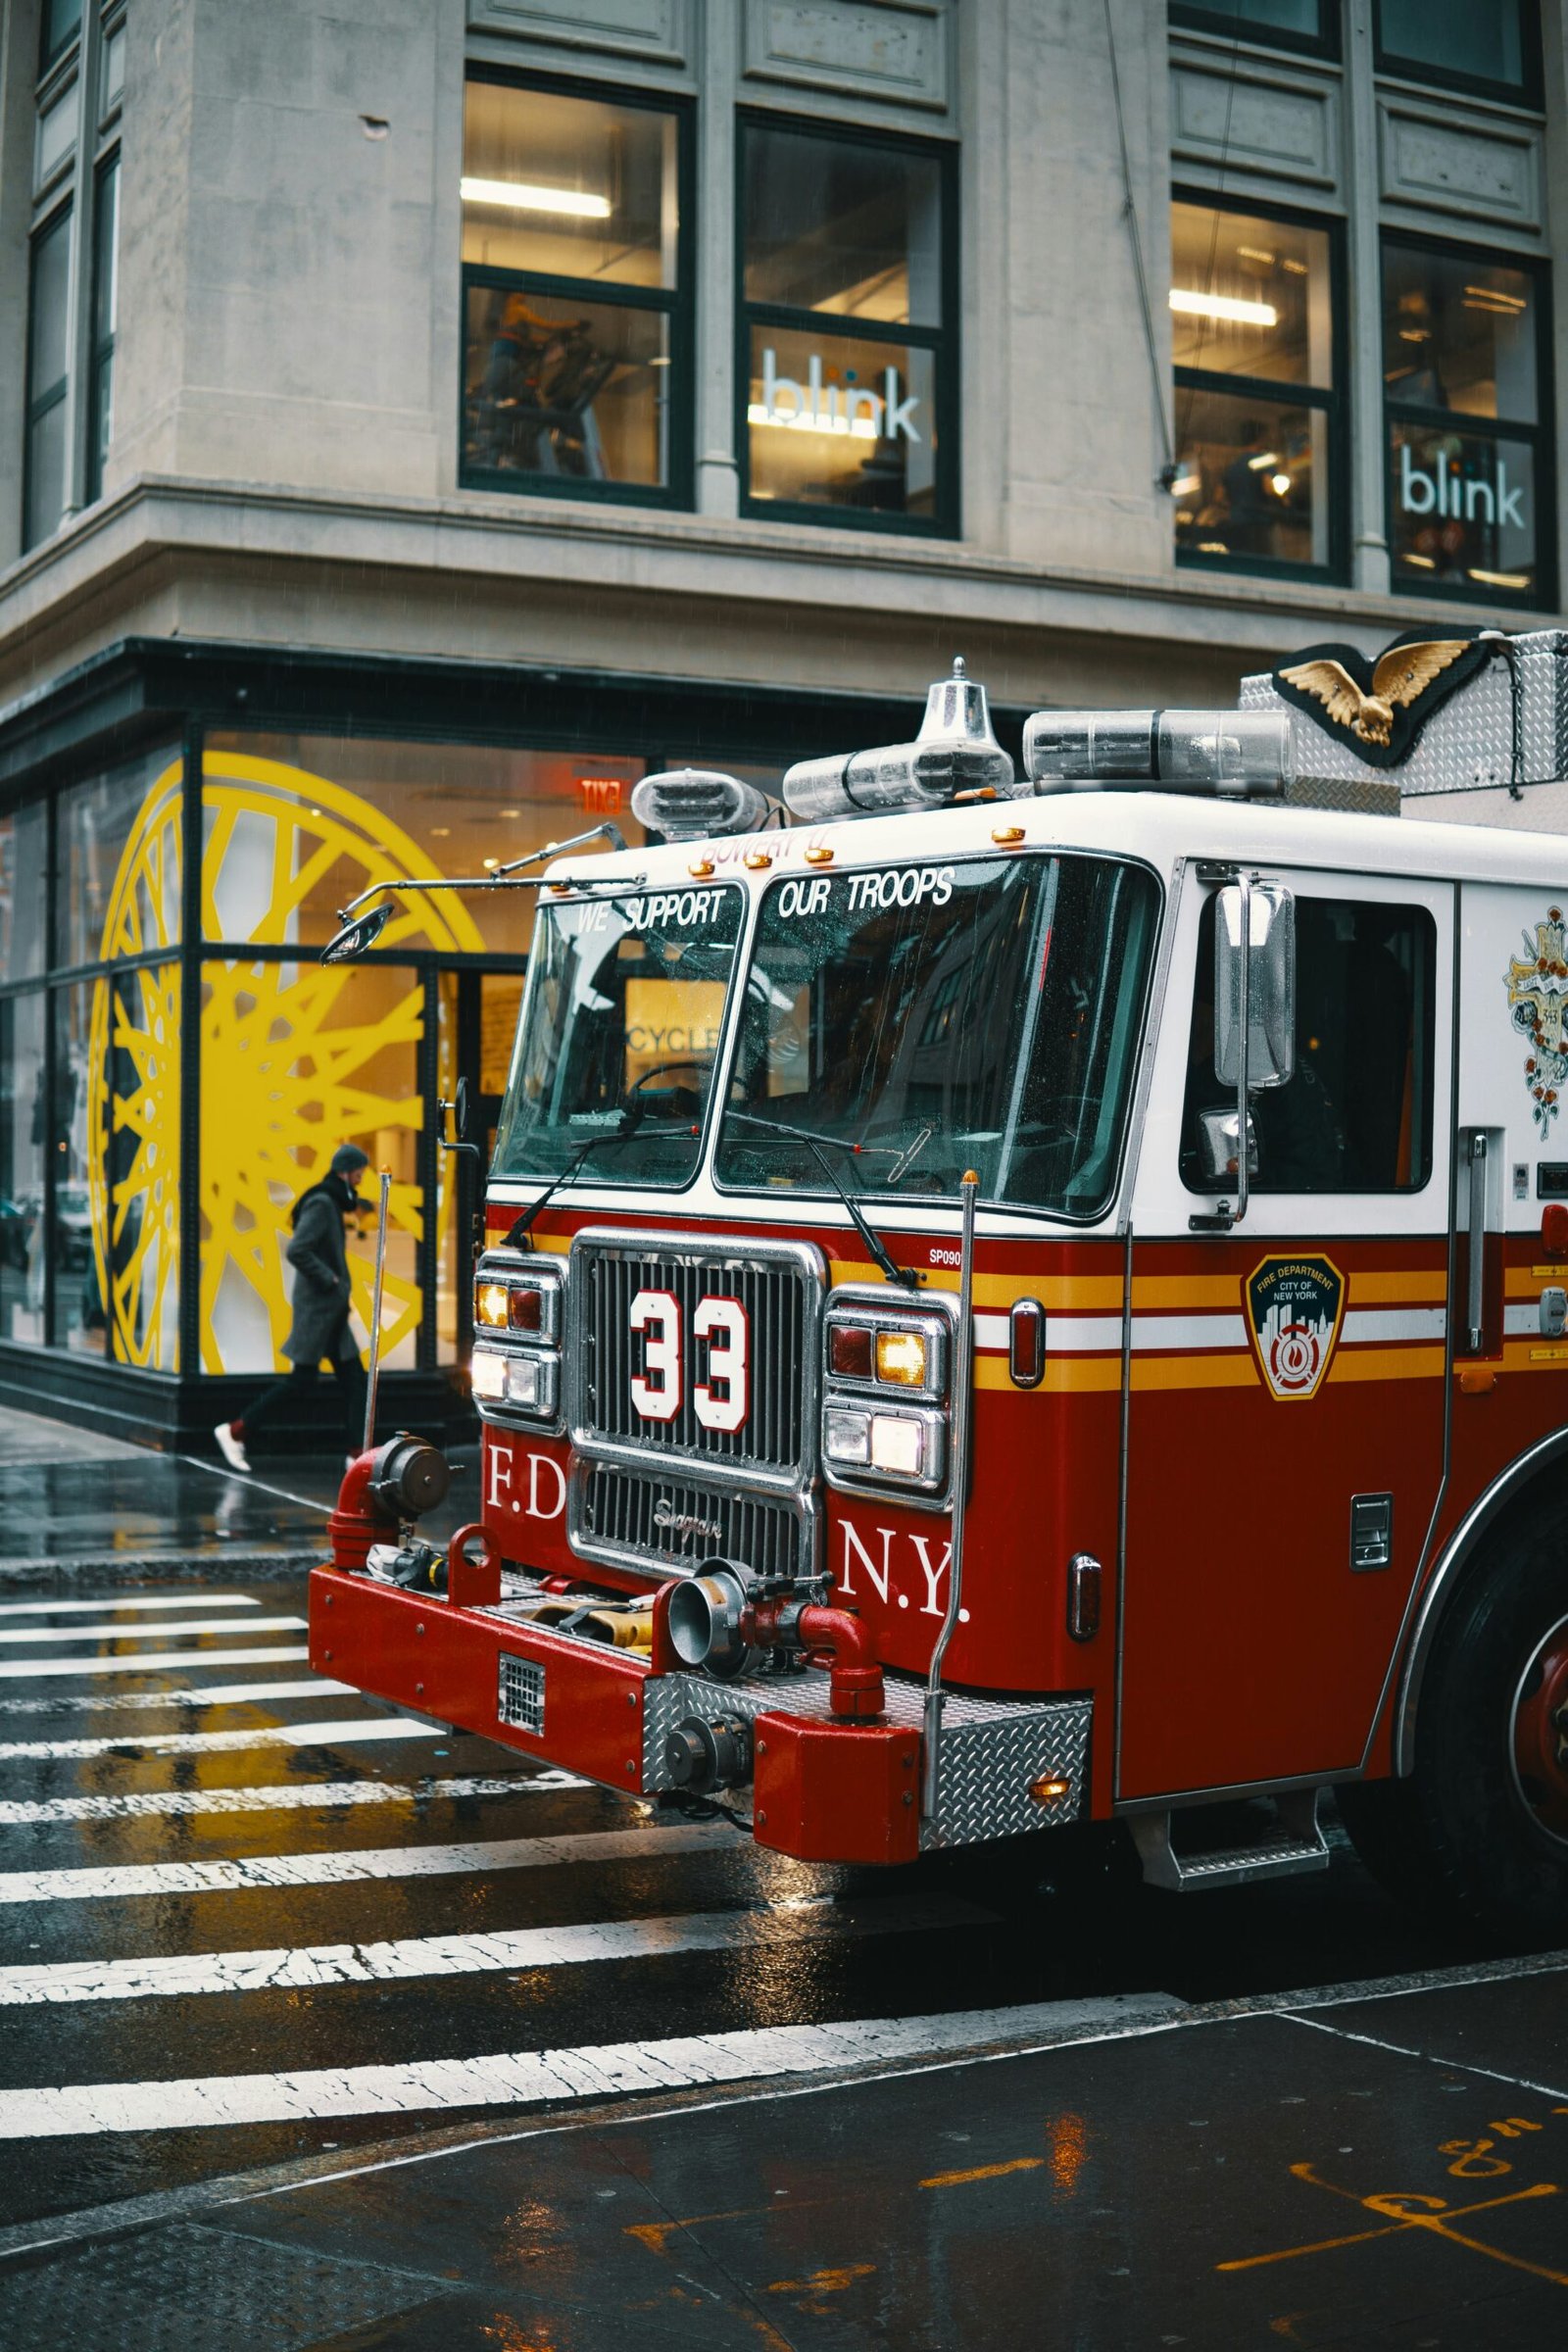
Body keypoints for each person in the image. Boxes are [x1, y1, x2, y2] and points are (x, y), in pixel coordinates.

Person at [215, 1145, 371, 1473]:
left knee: (355, 1381)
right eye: (358, 1172)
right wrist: (330, 1279)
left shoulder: (331, 1200)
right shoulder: (323, 1203)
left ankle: (356, 1454)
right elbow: (298, 1249)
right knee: (303, 1381)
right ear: (345, 1171)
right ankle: (234, 1432)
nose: (360, 1178)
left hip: (329, 1310)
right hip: (319, 1308)